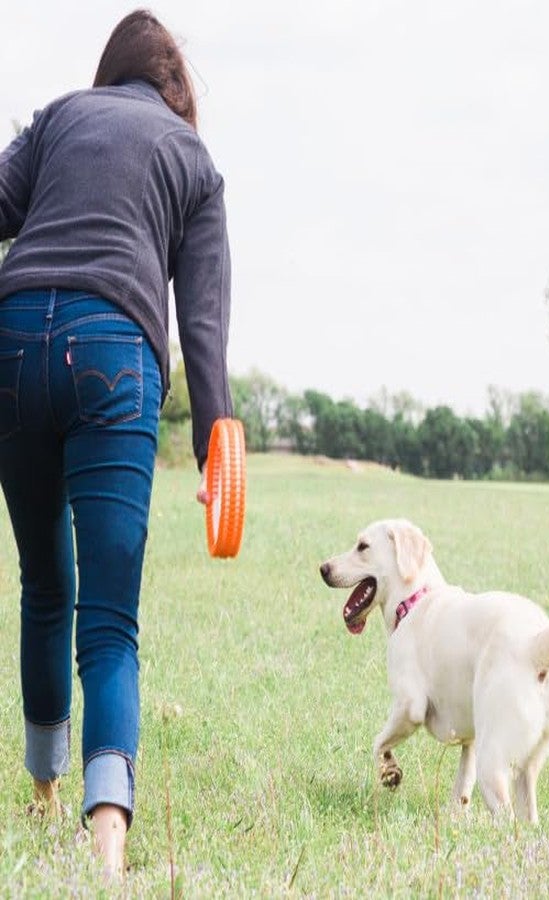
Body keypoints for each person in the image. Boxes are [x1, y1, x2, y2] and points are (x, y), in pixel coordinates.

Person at [0, 9, 232, 877]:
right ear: (178, 92)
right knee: (109, 621)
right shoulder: (193, 161)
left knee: (43, 585)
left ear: (109, 73)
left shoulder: (62, 117)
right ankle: (104, 853)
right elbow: (204, 328)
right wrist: (219, 456)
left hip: (14, 343)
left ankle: (42, 792)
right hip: (114, 355)